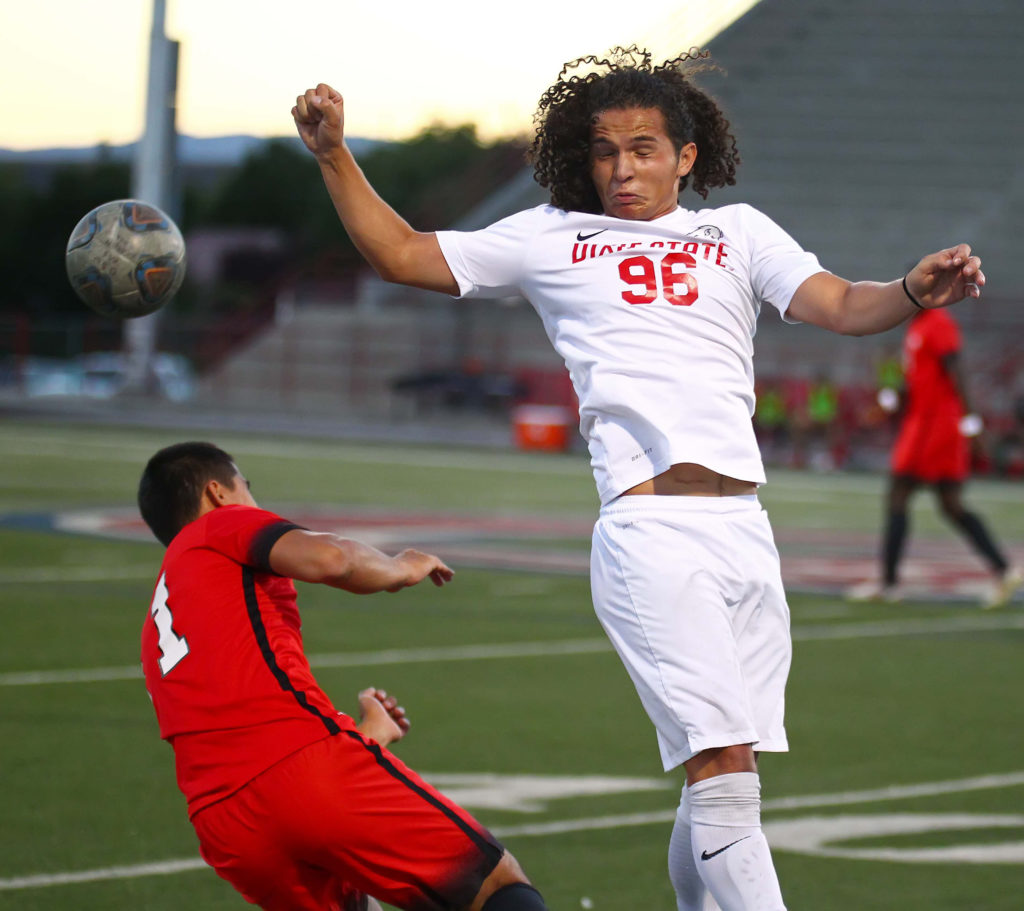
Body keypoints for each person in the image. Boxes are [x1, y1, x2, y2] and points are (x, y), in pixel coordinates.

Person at [292, 46, 987, 911]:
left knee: (723, 780)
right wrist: (333, 154)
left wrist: (914, 289)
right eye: (605, 151)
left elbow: (844, 305)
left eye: (644, 149)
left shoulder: (738, 233)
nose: (623, 169)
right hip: (651, 534)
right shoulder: (550, 237)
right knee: (724, 768)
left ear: (686, 156)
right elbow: (400, 253)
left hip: (745, 531)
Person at [137, 441, 549, 911]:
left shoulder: (156, 622)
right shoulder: (219, 525)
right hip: (302, 773)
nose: (254, 500)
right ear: (217, 493)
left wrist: (365, 737)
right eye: (247, 488)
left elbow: (238, 742)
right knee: (493, 885)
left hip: (224, 826)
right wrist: (400, 567)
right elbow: (334, 558)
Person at [848, 307, 1023, 607]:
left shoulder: (937, 323)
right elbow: (913, 383)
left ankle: (889, 584)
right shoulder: (916, 328)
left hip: (935, 426)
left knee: (901, 495)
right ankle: (1004, 570)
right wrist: (886, 404)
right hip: (925, 423)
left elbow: (956, 371)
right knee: (950, 505)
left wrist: (971, 424)